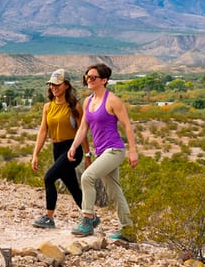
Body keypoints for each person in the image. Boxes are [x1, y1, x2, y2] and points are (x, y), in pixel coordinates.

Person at [67, 62, 139, 240]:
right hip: (101, 152)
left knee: (87, 177)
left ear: (104, 80)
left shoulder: (113, 100)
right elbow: (83, 127)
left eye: (93, 77)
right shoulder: (88, 101)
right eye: (87, 77)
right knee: (114, 191)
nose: (89, 80)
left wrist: (133, 151)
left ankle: (88, 220)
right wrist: (74, 146)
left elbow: (127, 126)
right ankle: (128, 230)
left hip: (114, 150)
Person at [29, 68, 94, 229]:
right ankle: (91, 217)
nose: (54, 87)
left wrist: (87, 155)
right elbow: (43, 131)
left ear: (66, 85)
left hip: (72, 149)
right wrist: (35, 154)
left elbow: (82, 131)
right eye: (51, 84)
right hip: (57, 149)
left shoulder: (74, 107)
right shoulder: (47, 107)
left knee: (49, 178)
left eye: (57, 84)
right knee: (72, 186)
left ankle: (49, 218)